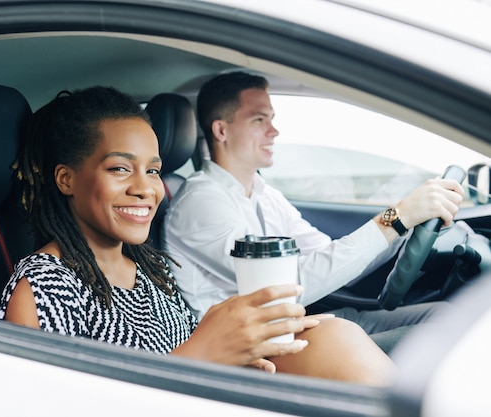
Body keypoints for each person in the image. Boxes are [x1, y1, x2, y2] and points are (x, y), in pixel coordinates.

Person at [0, 85, 393, 385]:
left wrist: (246, 350)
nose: (145, 188)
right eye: (120, 168)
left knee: (331, 335)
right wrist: (199, 354)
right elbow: (47, 401)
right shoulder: (43, 287)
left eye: (152, 170)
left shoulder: (146, 272)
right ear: (66, 179)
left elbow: (189, 353)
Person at [163, 71, 465, 353]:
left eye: (272, 119)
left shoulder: (264, 193)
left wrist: (407, 225)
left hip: (291, 324)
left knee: (445, 315)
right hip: (256, 349)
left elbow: (328, 256)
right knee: (449, 336)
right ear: (221, 130)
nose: (274, 131)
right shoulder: (200, 203)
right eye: (259, 120)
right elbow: (283, 289)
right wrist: (395, 218)